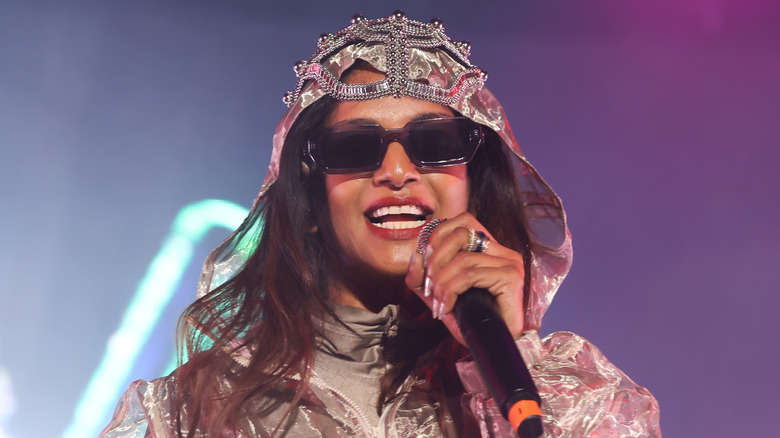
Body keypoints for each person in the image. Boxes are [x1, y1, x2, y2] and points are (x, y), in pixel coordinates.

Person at [101, 12, 660, 437]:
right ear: (311, 202)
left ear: (472, 181)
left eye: (434, 144)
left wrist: (508, 349)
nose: (397, 171)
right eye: (356, 147)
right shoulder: (193, 410)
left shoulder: (570, 393)